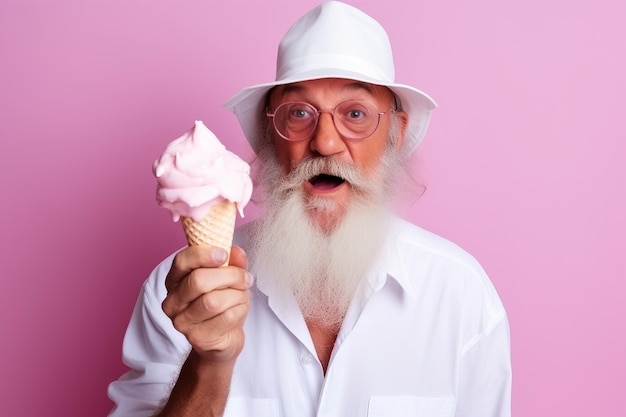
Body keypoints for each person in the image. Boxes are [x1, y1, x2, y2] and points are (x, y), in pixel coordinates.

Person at [107, 2, 512, 416]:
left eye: (355, 114)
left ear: (395, 132)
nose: (325, 143)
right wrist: (209, 364)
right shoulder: (181, 292)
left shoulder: (461, 297)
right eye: (299, 113)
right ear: (270, 134)